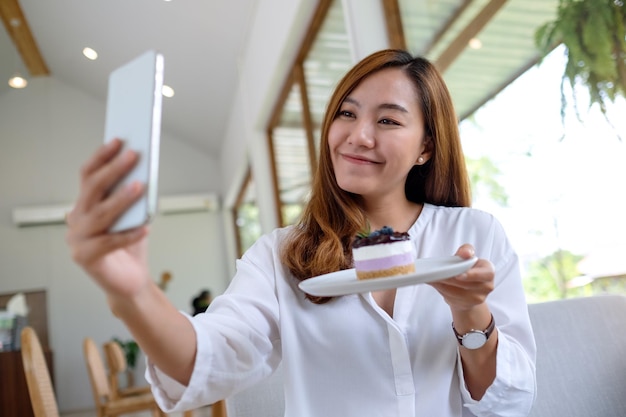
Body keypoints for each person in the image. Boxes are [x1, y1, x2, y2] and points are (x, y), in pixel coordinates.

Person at [66, 49, 536, 416]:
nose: (358, 136)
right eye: (346, 114)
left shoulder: (471, 238)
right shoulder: (281, 254)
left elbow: (507, 403)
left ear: (426, 147)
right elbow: (203, 361)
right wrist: (132, 293)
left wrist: (470, 310)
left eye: (388, 120)